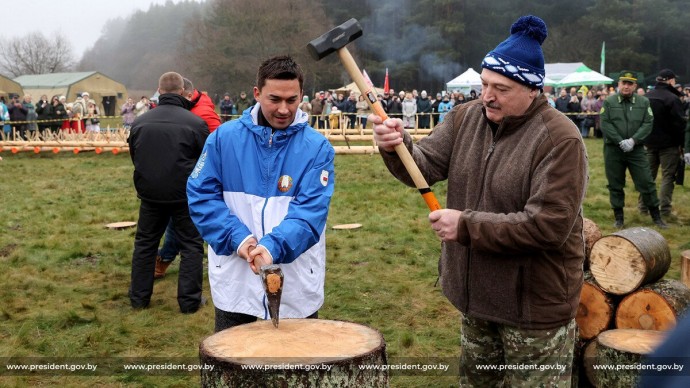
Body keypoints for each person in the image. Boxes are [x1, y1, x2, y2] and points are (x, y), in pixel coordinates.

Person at [370, 15, 586, 386]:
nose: (487, 95)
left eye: (501, 89)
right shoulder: (465, 118)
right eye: (485, 84)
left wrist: (466, 226)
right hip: (475, 299)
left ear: (533, 90)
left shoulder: (559, 140)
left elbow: (547, 226)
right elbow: (422, 167)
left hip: (533, 309)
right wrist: (398, 147)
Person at [187, 55, 335, 332]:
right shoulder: (222, 139)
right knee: (232, 360)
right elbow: (201, 195)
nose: (283, 109)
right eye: (274, 99)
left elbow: (310, 213)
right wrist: (239, 239)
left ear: (302, 94)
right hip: (236, 273)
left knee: (298, 364)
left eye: (292, 100)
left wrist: (270, 248)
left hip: (295, 276)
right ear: (257, 93)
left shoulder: (317, 148)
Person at [127, 71, 209, 314]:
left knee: (145, 243)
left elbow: (136, 156)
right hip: (185, 195)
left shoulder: (140, 123)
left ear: (159, 91)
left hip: (150, 194)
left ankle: (138, 298)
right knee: (191, 246)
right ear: (183, 92)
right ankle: (189, 301)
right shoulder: (195, 124)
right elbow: (206, 159)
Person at [154, 77, 222, 279]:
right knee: (180, 223)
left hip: (198, 179)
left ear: (187, 94)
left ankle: (165, 260)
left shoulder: (202, 114)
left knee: (182, 224)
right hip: (187, 177)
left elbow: (217, 147)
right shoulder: (194, 110)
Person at [599, 71, 667, 229]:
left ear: (635, 86)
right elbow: (605, 123)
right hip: (613, 150)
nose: (626, 86)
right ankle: (619, 218)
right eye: (624, 83)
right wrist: (619, 140)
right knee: (615, 184)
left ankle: (656, 217)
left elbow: (648, 123)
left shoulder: (643, 102)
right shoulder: (609, 101)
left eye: (630, 83)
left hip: (636, 150)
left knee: (646, 182)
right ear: (619, 84)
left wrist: (633, 140)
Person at [640, 69, 686, 218]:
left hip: (648, 143)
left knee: (648, 177)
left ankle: (643, 208)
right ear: (670, 81)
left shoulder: (646, 97)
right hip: (669, 145)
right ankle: (665, 210)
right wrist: (682, 145)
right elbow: (679, 125)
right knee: (668, 177)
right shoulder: (672, 99)